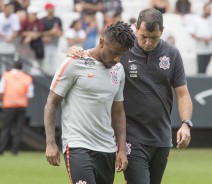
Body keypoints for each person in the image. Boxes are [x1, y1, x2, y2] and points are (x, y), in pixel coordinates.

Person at [69, 8, 193, 184]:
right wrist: (78, 52)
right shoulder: (123, 50)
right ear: (136, 28)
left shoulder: (172, 54)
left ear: (162, 32)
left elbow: (183, 94)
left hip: (161, 138)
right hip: (132, 138)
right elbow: (98, 54)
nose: (148, 42)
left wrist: (186, 124)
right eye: (143, 37)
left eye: (154, 38)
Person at [44, 21, 135, 184]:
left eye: (121, 55)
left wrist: (121, 149)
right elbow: (51, 102)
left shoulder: (118, 70)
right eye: (114, 52)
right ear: (101, 42)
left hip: (107, 149)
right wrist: (51, 143)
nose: (116, 59)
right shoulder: (74, 63)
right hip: (78, 145)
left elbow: (118, 111)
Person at [0, 60, 34, 155]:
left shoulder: (6, 75)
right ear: (21, 67)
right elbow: (30, 95)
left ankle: (1, 149)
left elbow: (1, 91)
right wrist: (25, 102)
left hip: (9, 105)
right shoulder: (27, 78)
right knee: (19, 129)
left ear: (13, 66)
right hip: (21, 105)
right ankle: (15, 150)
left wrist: (2, 102)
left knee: (6, 128)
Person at [191, 3, 212, 74]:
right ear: (204, 9)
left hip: (210, 48)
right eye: (207, 10)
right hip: (200, 49)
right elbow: (192, 34)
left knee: (206, 68)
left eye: (210, 10)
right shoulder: (197, 20)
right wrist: (202, 39)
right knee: (200, 69)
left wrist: (210, 38)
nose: (209, 12)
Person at [41, 2, 63, 76]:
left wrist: (55, 33)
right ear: (47, 9)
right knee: (46, 63)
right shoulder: (43, 20)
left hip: (55, 44)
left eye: (53, 8)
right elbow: (41, 33)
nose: (53, 10)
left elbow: (61, 32)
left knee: (55, 63)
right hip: (46, 45)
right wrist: (51, 32)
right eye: (51, 8)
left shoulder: (57, 19)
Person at [0, 2, 20, 73]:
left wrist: (10, 38)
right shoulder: (0, 17)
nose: (10, 9)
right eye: (8, 7)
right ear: (4, 8)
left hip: (10, 44)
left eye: (11, 8)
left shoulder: (14, 17)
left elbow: (16, 30)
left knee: (10, 65)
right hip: (1, 44)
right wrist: (6, 37)